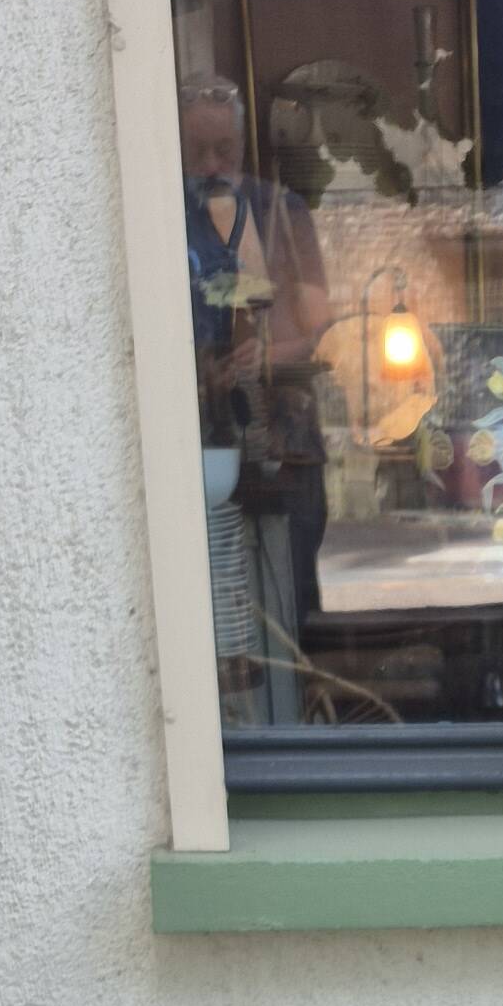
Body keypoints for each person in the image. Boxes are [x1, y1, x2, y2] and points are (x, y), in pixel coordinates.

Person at [179, 76, 333, 699]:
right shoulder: (163, 217)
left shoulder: (282, 212)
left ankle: (300, 721)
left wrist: (267, 355)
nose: (213, 166)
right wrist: (197, 370)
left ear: (244, 146)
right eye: (197, 153)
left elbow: (319, 329)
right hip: (200, 440)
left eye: (226, 150)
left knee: (289, 598)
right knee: (210, 604)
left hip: (285, 441)